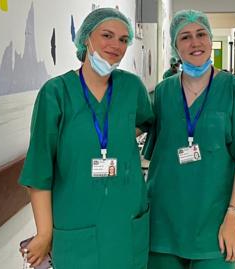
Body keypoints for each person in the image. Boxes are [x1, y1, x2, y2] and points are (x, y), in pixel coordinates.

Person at [19, 8, 154, 269]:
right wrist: (44, 233)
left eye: (124, 39)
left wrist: (119, 139)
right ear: (86, 39)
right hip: (75, 227)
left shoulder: (131, 88)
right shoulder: (55, 94)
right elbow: (39, 170)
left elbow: (146, 122)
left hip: (127, 224)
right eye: (107, 35)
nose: (116, 45)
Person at [144, 10, 235, 269]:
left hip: (215, 224)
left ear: (210, 38)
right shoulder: (162, 93)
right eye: (185, 37)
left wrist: (233, 217)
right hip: (163, 224)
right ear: (175, 47)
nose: (195, 42)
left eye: (201, 34)